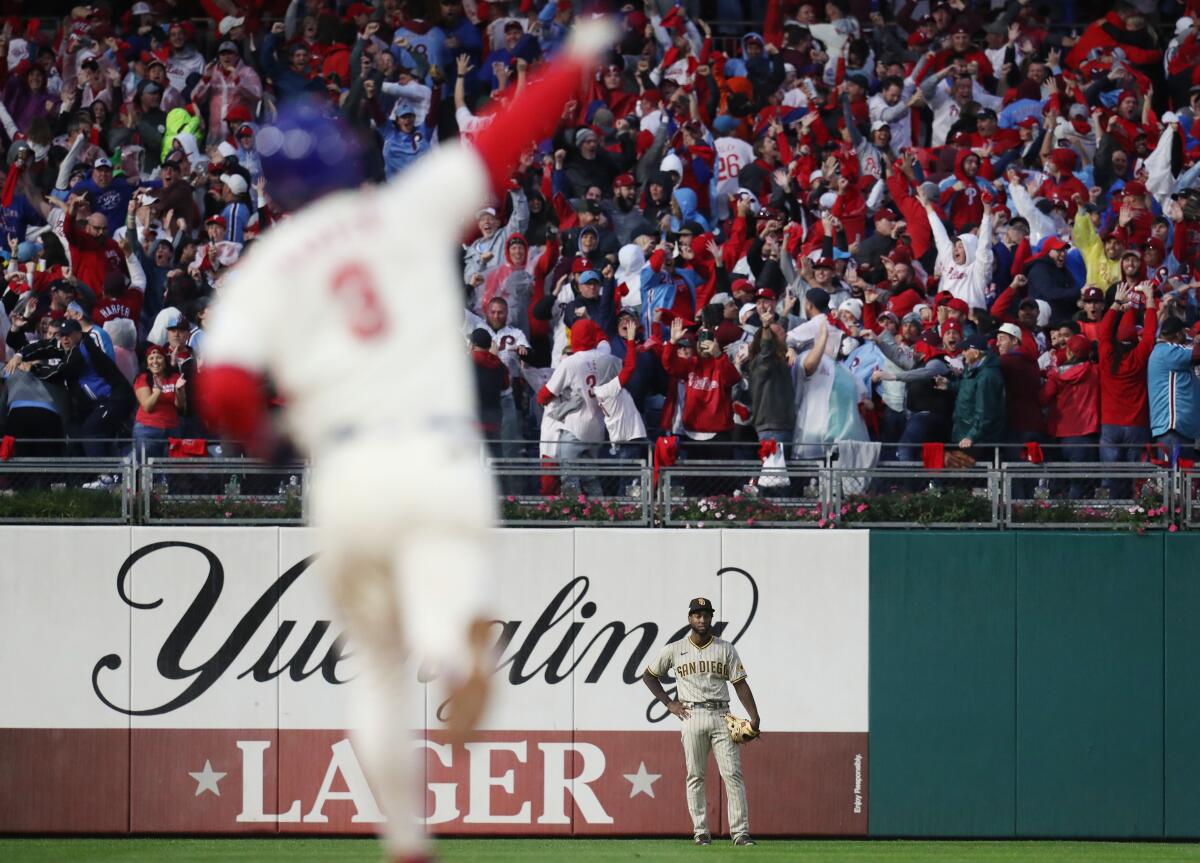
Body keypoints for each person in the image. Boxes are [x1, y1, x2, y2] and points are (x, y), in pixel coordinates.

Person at [197, 21, 616, 863]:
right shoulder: (405, 207)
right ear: (350, 157)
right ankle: (453, 650)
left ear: (276, 186)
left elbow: (223, 390)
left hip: (346, 469)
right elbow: (503, 136)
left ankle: (405, 836)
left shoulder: (265, 269)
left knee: (376, 668)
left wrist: (268, 441)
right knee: (443, 583)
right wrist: (574, 58)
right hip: (437, 453)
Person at [642, 596, 760, 848]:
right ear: (690, 619)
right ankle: (701, 832)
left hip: (721, 715)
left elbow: (740, 684)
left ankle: (740, 833)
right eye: (697, 615)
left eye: (706, 615)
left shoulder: (726, 648)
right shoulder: (674, 649)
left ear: (711, 618)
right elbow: (650, 676)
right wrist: (668, 703)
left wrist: (754, 716)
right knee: (695, 775)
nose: (702, 619)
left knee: (733, 775)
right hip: (691, 714)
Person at [1148, 315, 1200, 463]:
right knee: (1172, 480)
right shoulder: (1167, 350)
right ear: (1178, 334)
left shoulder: (1168, 350)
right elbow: (1196, 353)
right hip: (1172, 426)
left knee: (1183, 481)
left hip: (1181, 428)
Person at [132, 343, 184, 459]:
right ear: (147, 364)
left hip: (172, 429)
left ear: (165, 362)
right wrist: (158, 390)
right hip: (148, 430)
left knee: (170, 471)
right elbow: (147, 406)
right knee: (147, 470)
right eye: (151, 358)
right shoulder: (142, 378)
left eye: (159, 357)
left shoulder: (175, 377)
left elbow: (180, 407)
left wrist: (180, 390)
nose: (155, 361)